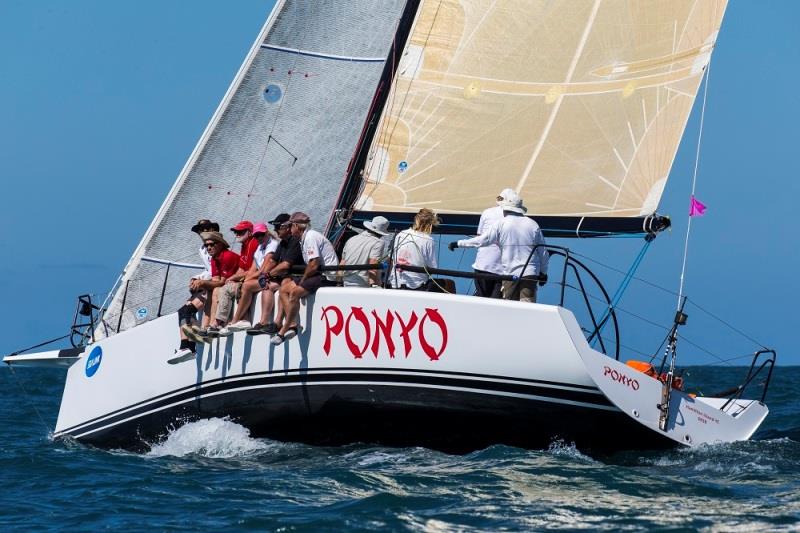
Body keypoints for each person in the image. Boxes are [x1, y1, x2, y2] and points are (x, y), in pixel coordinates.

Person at [449, 191, 548, 303]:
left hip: (510, 274)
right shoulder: (533, 224)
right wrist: (543, 273)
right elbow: (543, 253)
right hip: (530, 273)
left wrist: (459, 243)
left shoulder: (501, 224)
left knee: (510, 306)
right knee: (528, 305)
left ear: (506, 208)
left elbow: (482, 240)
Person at [272, 212, 338, 345]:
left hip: (326, 276)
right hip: (318, 273)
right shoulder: (305, 237)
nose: (289, 229)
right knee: (284, 289)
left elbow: (313, 264)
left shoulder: (310, 237)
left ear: (297, 226)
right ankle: (293, 324)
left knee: (295, 292)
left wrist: (302, 280)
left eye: (291, 226)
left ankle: (283, 331)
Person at [172, 219, 220, 362]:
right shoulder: (203, 248)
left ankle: (189, 347)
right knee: (183, 311)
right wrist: (196, 278)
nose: (201, 232)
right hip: (207, 282)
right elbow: (208, 269)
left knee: (187, 311)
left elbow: (217, 269)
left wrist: (200, 280)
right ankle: (187, 347)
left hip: (214, 284)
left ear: (212, 229)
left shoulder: (216, 245)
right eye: (199, 230)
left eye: (204, 229)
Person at [247, 213, 303, 336]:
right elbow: (273, 261)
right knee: (266, 286)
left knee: (284, 284)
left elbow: (285, 265)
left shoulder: (294, 241)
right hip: (286, 276)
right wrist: (265, 275)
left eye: (278, 227)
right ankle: (264, 322)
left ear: (287, 228)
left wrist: (267, 274)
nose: (275, 230)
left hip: (297, 276)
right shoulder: (283, 243)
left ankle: (280, 322)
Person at [223, 222, 279, 333]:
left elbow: (264, 269)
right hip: (264, 277)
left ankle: (236, 320)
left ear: (267, 233)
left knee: (247, 286)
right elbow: (253, 269)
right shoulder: (259, 248)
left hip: (273, 277)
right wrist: (243, 279)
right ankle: (241, 320)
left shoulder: (272, 245)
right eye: (256, 235)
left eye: (261, 235)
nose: (258, 237)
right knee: (242, 285)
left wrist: (245, 280)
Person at [208, 221, 258, 336]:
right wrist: (232, 278)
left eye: (240, 232)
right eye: (236, 232)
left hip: (254, 278)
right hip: (247, 278)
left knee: (228, 288)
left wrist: (233, 277)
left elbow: (252, 270)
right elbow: (241, 268)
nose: (237, 234)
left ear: (250, 232)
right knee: (224, 288)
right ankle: (219, 324)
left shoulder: (253, 243)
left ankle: (222, 322)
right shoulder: (244, 245)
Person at [471, 189, 515, 298]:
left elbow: (479, 237)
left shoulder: (487, 212)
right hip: (501, 269)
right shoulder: (515, 218)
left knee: (481, 298)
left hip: (482, 265)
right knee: (495, 302)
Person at [196, 231, 241, 338]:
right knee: (210, 290)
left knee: (215, 289)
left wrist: (203, 283)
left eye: (212, 244)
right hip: (227, 285)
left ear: (220, 244)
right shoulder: (214, 258)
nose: (209, 248)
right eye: (206, 245)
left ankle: (213, 325)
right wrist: (200, 283)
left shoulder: (227, 256)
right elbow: (216, 280)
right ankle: (206, 326)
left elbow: (220, 282)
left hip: (237, 284)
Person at [389, 208, 439, 290]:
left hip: (395, 282)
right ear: (429, 225)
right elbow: (432, 268)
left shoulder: (401, 234)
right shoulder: (428, 240)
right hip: (416, 284)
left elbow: (392, 258)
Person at [339, 216, 389, 287]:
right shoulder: (378, 242)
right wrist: (373, 285)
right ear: (381, 233)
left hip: (346, 281)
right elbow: (373, 265)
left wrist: (338, 282)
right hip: (362, 283)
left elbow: (342, 263)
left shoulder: (352, 239)